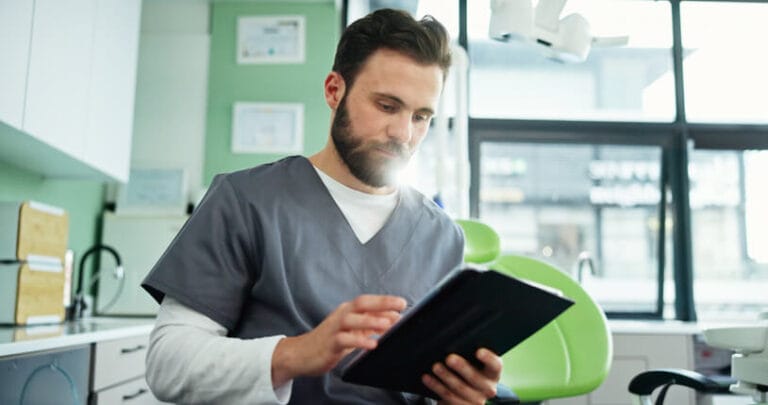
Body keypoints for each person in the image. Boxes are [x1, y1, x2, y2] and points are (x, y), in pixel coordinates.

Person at [142, 8, 502, 404]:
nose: (403, 134)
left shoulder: (441, 236)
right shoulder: (246, 201)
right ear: (334, 91)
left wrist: (459, 396)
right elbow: (167, 364)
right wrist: (297, 354)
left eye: (420, 116)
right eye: (386, 106)